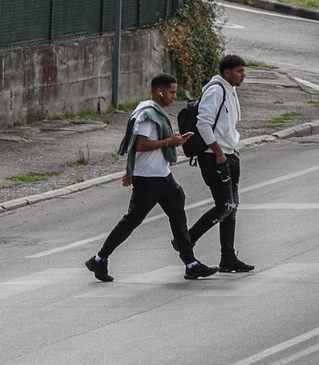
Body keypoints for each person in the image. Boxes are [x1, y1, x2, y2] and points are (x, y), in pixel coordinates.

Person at [85, 74, 218, 282]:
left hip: (161, 176)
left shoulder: (152, 111)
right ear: (160, 91)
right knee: (132, 221)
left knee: (177, 211)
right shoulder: (148, 114)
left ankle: (191, 263)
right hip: (149, 179)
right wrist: (168, 142)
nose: (175, 96)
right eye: (172, 92)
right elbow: (139, 145)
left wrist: (174, 140)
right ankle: (99, 259)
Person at [188, 54, 255, 273]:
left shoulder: (230, 90)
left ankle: (228, 257)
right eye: (239, 71)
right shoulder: (216, 90)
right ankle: (187, 239)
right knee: (224, 205)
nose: (243, 75)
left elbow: (229, 125)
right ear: (227, 72)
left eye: (243, 71)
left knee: (232, 208)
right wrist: (219, 154)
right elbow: (203, 124)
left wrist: (232, 151)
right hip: (214, 156)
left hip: (229, 154)